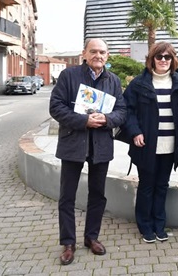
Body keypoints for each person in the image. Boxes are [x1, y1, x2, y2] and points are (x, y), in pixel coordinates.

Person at [49, 38, 127, 265]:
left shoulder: (113, 80)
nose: (98, 56)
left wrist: (107, 119)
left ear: (107, 55)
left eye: (102, 52)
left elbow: (122, 111)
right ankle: (68, 242)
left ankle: (91, 237)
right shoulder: (69, 76)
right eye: (93, 51)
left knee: (97, 195)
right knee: (67, 196)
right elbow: (56, 107)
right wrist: (84, 121)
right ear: (84, 53)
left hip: (100, 146)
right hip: (73, 143)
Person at [121, 41, 178, 243]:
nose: (163, 61)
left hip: (170, 145)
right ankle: (145, 226)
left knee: (162, 185)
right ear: (152, 60)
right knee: (147, 186)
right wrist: (135, 132)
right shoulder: (139, 84)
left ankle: (160, 225)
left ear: (173, 60)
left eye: (167, 57)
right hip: (146, 146)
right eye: (159, 57)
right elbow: (127, 111)